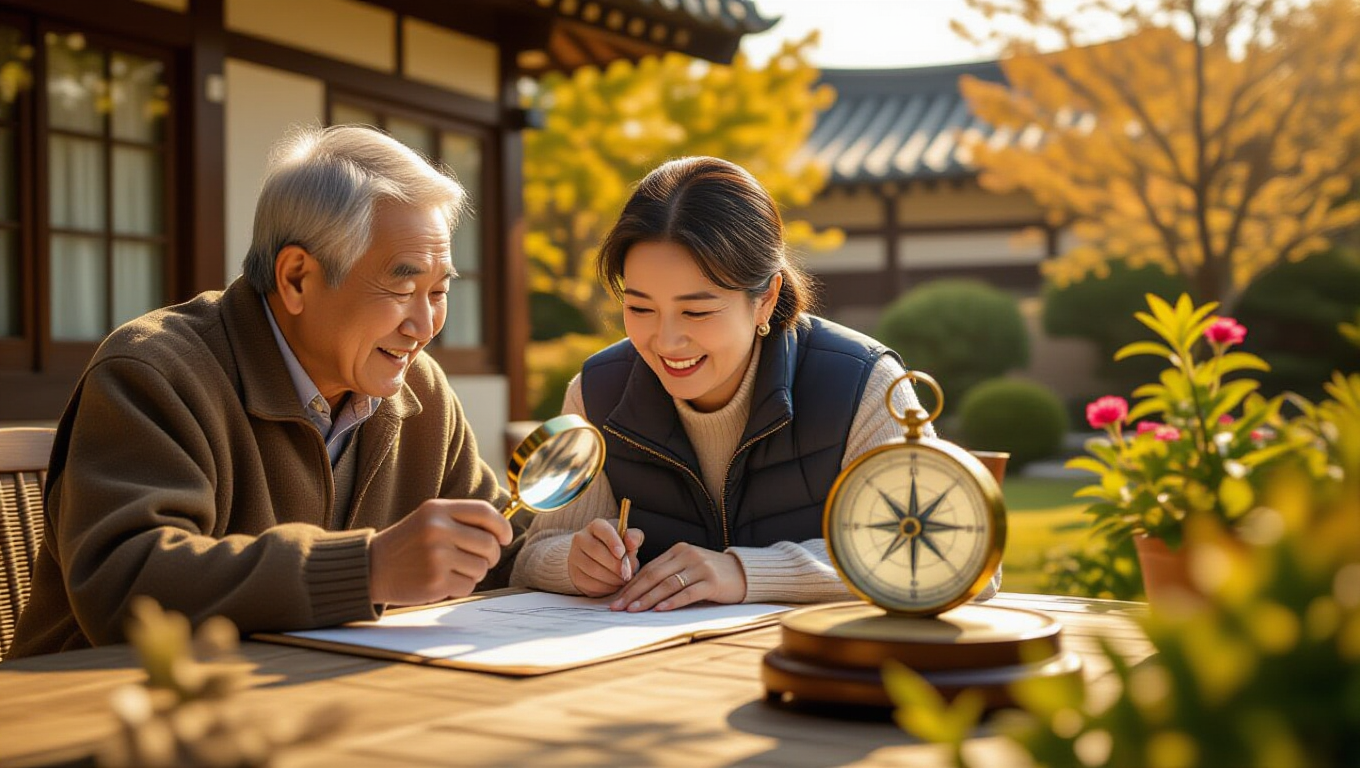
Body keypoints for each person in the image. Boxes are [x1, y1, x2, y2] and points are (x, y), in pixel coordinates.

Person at [7, 125, 519, 659]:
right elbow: (126, 586)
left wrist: (569, 559)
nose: (425, 325)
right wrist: (368, 569)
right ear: (297, 277)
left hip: (310, 706)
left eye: (438, 292)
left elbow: (496, 539)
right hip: (112, 714)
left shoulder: (418, 391)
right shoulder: (154, 371)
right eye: (402, 288)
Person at [511, 156, 1000, 611]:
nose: (665, 340)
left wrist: (746, 573)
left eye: (697, 310)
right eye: (639, 308)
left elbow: (957, 558)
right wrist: (576, 563)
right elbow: (535, 553)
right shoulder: (599, 390)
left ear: (765, 299)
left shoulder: (861, 383)